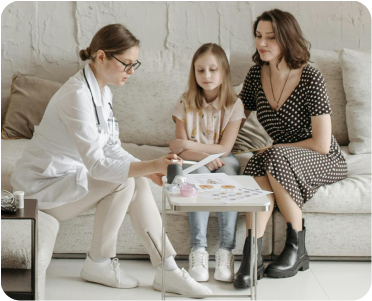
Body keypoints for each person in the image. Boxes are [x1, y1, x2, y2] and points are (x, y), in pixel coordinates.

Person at [10, 23, 212, 296]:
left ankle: (168, 269)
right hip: (43, 190)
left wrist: (145, 170)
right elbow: (97, 165)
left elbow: (112, 147)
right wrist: (150, 165)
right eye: (126, 64)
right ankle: (100, 262)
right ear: (102, 56)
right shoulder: (76, 96)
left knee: (134, 180)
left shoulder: (102, 90)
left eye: (134, 64)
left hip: (67, 178)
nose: (131, 71)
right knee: (123, 182)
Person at [233, 9, 347, 288]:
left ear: (287, 39)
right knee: (257, 162)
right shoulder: (255, 74)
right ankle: (252, 254)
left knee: (270, 154)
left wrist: (276, 148)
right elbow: (235, 118)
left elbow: (321, 143)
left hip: (323, 157)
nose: (262, 43)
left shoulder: (310, 77)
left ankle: (297, 247)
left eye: (271, 37)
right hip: (281, 157)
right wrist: (211, 148)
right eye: (259, 36)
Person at [169, 43, 246, 283]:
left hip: (223, 159)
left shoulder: (234, 105)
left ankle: (226, 251)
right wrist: (201, 155)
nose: (207, 76)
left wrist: (189, 145)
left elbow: (224, 149)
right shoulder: (184, 102)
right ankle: (198, 250)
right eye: (200, 70)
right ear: (194, 73)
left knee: (229, 178)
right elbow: (178, 147)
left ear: (223, 72)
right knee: (196, 178)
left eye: (213, 70)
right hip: (196, 160)